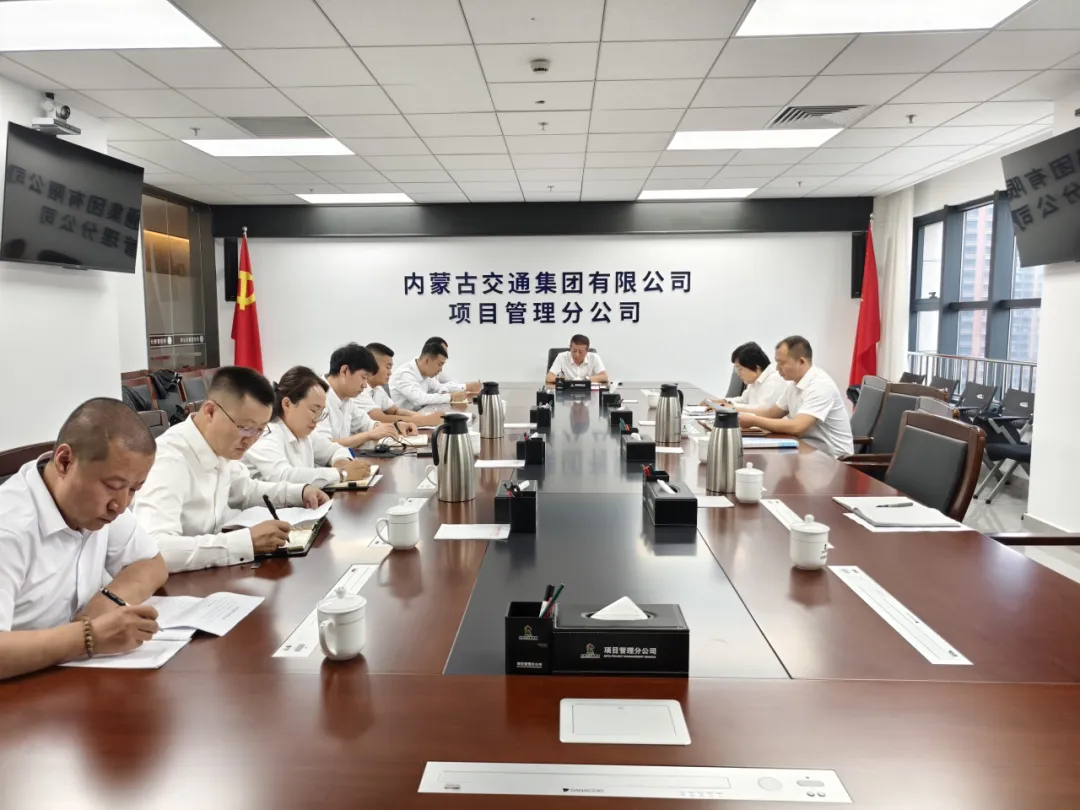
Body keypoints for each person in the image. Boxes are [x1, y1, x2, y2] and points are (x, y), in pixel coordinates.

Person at [0, 398, 167, 680]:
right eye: (113, 486)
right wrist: (89, 637)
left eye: (134, 490)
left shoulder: (99, 504)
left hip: (64, 678)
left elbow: (151, 565)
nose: (121, 505)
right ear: (65, 462)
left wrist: (103, 606)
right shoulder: (9, 529)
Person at [134, 366, 329, 573]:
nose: (250, 440)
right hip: (179, 582)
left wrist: (300, 492)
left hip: (214, 571)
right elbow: (156, 548)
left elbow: (246, 491)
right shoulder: (169, 460)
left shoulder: (221, 446)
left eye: (260, 430)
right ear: (210, 411)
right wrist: (245, 543)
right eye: (245, 428)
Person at [244, 366, 375, 486]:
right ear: (287, 404)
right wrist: (341, 474)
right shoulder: (266, 434)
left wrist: (342, 463)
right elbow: (283, 476)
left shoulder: (304, 434)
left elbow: (335, 449)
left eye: (321, 412)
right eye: (314, 410)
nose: (317, 419)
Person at [738, 336, 855, 458]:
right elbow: (772, 412)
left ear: (801, 362)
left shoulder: (820, 385)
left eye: (782, 363)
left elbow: (797, 427)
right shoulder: (793, 384)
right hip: (807, 449)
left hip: (834, 459)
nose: (777, 368)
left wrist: (754, 420)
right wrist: (736, 411)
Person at [316, 343, 401, 451]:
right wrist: (368, 435)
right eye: (364, 377)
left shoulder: (346, 399)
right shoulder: (316, 397)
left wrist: (394, 427)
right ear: (345, 371)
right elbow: (322, 446)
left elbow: (366, 423)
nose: (365, 385)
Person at [356, 343, 439, 428]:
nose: (390, 373)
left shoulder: (378, 388)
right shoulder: (359, 390)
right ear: (372, 365)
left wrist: (418, 416)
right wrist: (426, 420)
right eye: (387, 367)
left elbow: (395, 411)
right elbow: (380, 419)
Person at [389, 340, 470, 411]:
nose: (441, 370)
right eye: (439, 364)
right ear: (427, 360)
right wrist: (450, 397)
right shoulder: (405, 374)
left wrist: (444, 393)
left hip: (419, 415)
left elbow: (439, 387)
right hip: (404, 420)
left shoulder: (425, 373)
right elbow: (420, 399)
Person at [705, 342, 786, 411]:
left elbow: (761, 410)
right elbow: (743, 400)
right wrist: (722, 402)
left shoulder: (774, 380)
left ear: (757, 368)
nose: (738, 374)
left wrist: (727, 407)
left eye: (740, 369)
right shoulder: (755, 380)